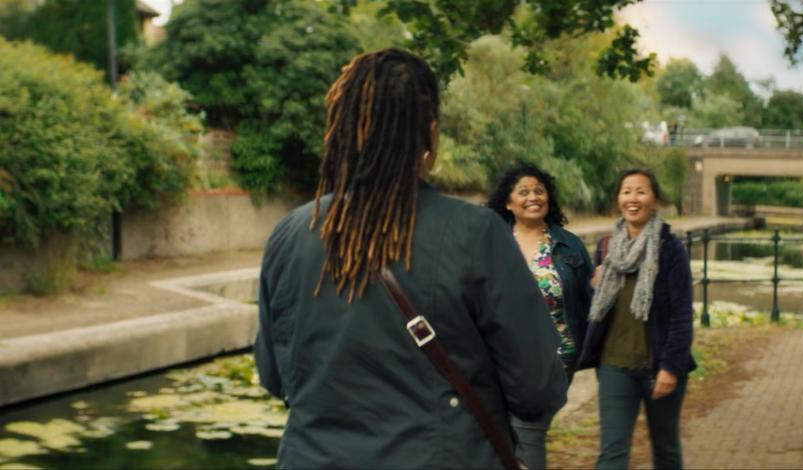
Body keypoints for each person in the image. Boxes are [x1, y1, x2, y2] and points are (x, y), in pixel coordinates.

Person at [253, 49, 568, 469]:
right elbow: (538, 389)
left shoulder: (291, 233)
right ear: (431, 133)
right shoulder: (476, 233)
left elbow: (275, 378)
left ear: (343, 131)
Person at [579, 168, 696, 469]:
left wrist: (671, 367)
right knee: (612, 453)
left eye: (641, 191)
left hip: (659, 366)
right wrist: (595, 286)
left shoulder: (670, 249)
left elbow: (682, 314)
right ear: (618, 199)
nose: (633, 198)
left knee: (666, 449)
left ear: (654, 200)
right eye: (626, 191)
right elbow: (598, 307)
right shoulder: (606, 248)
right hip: (614, 366)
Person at [486, 163, 594, 469]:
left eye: (539, 190)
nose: (533, 197)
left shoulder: (568, 244)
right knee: (501, 430)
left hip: (556, 355)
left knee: (529, 426)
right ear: (508, 202)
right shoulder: (493, 242)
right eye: (523, 192)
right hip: (500, 355)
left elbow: (589, 299)